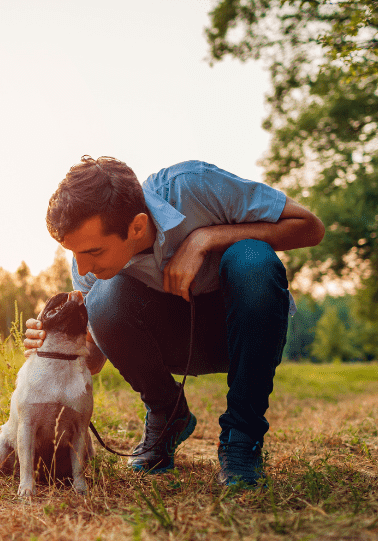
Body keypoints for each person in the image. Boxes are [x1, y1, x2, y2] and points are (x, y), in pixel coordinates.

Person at [23, 155, 324, 486]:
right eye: (74, 254)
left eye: (93, 252)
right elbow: (94, 361)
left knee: (252, 258)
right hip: (175, 340)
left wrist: (206, 239)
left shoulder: (193, 186)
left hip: (246, 332)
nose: (81, 268)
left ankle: (242, 438)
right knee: (103, 296)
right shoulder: (88, 266)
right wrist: (54, 344)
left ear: (136, 226)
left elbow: (310, 227)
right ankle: (169, 417)